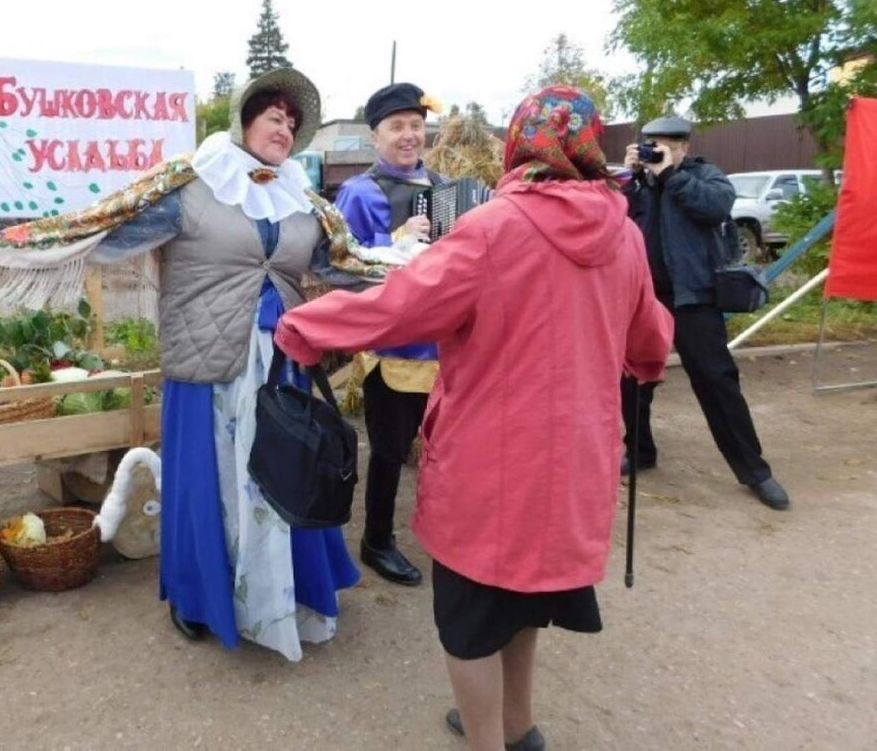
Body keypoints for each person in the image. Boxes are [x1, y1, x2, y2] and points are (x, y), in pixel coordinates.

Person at [274, 87, 674, 750]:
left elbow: (398, 307)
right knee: (526, 603)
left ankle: (488, 740)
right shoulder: (623, 235)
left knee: (468, 622)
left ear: (519, 145)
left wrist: (303, 325)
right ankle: (518, 728)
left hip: (492, 469)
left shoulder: (493, 230)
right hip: (577, 466)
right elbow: (652, 347)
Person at [89, 68, 360, 662]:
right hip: (207, 362)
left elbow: (344, 266)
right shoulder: (188, 184)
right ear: (243, 119)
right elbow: (105, 232)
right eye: (273, 116)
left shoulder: (304, 203)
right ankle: (199, 598)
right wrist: (32, 247)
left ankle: (287, 594)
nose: (284, 128)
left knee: (285, 475)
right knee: (206, 483)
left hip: (279, 364)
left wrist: (422, 270)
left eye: (292, 123)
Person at [619, 116, 791, 510]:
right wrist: (631, 177)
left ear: (683, 148)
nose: (655, 153)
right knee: (632, 381)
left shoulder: (705, 176)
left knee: (716, 381)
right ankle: (641, 451)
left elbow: (715, 208)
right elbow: (614, 219)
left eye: (663, 146)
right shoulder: (639, 185)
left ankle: (755, 471)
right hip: (646, 299)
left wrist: (670, 176)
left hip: (694, 297)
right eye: (650, 146)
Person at [331, 82, 446, 586]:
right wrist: (394, 246)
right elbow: (342, 264)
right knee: (388, 450)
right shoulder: (358, 192)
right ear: (374, 135)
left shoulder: (446, 187)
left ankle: (443, 530)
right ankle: (376, 539)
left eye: (416, 126)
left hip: (445, 343)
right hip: (393, 345)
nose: (408, 136)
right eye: (396, 127)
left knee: (446, 447)